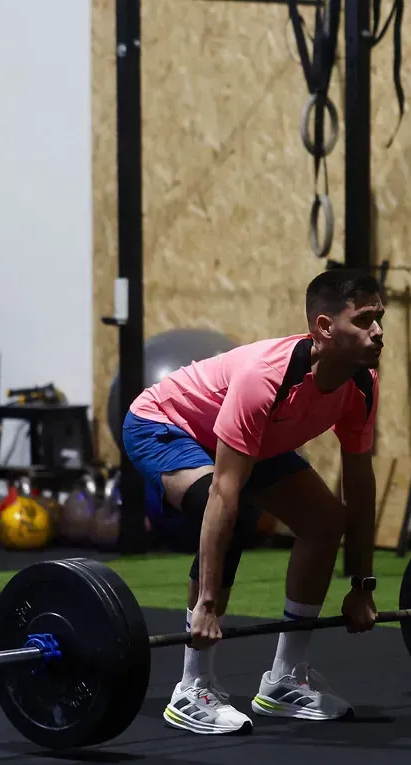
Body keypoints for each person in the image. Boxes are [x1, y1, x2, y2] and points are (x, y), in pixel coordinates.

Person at [122, 269, 384, 735]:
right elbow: (224, 491)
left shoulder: (362, 384)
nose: (378, 331)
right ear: (324, 327)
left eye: (379, 318)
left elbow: (359, 484)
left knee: (324, 521)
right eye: (364, 320)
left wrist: (362, 584)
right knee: (228, 509)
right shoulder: (267, 377)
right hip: (166, 423)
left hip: (253, 440)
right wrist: (205, 604)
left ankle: (285, 679)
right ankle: (192, 686)